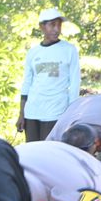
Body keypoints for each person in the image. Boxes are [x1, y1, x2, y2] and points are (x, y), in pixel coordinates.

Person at [17, 8, 80, 142]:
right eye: (52, 25)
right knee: (32, 152)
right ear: (42, 27)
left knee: (49, 152)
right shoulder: (33, 53)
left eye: (59, 25)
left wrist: (71, 114)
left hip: (56, 112)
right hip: (32, 111)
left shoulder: (69, 50)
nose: (56, 29)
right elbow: (27, 83)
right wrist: (22, 113)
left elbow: (75, 84)